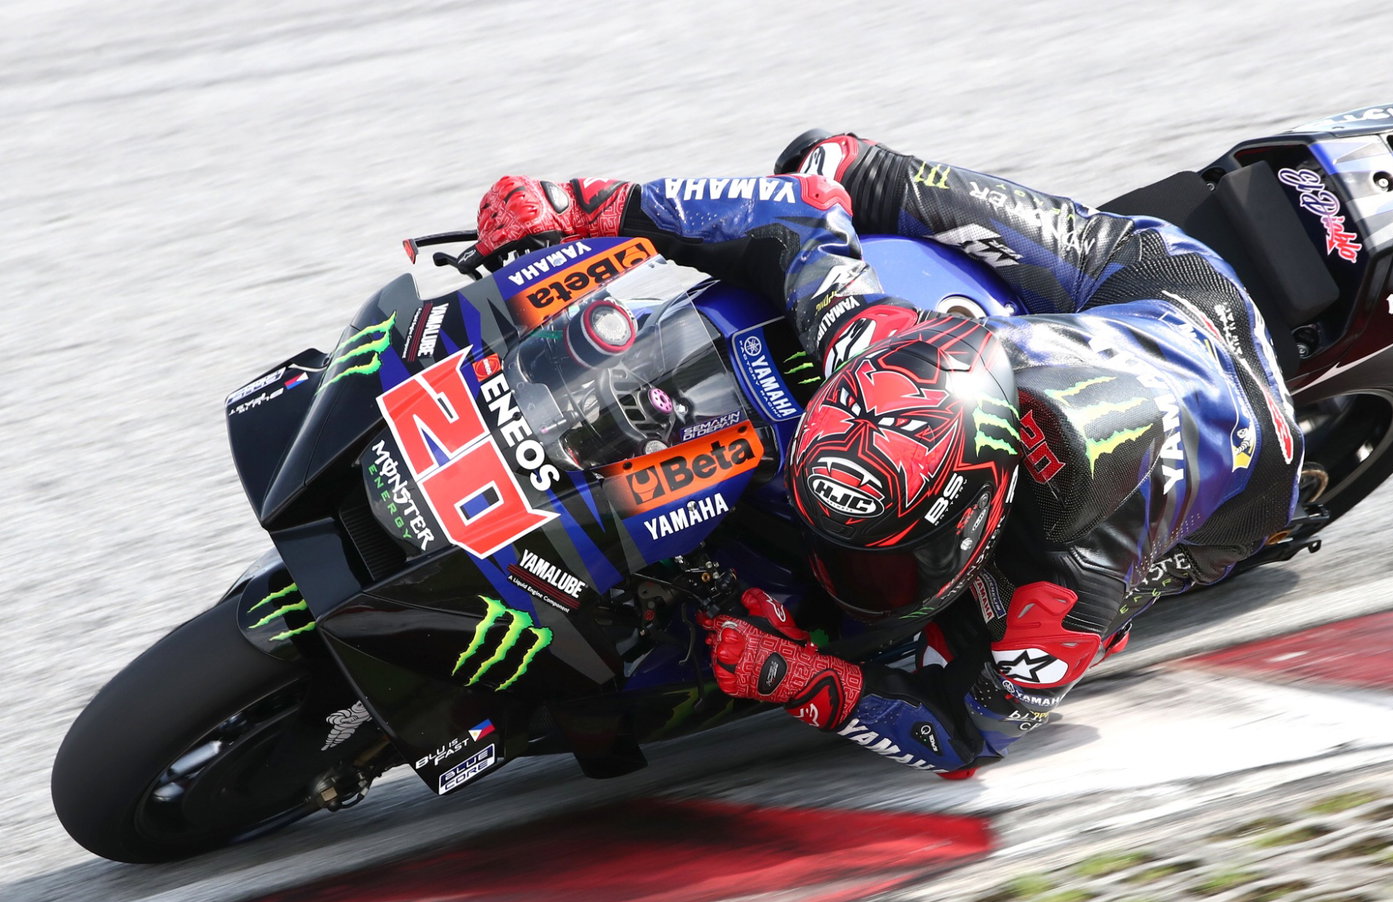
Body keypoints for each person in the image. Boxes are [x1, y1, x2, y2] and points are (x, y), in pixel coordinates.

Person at [473, 131, 1304, 776]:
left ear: (975, 524)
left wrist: (808, 681)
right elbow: (797, 205)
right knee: (838, 159)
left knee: (1092, 615)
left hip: (1235, 418)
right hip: (1121, 320)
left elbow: (967, 732)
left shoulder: (1074, 580)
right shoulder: (868, 338)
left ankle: (1202, 557)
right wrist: (583, 204)